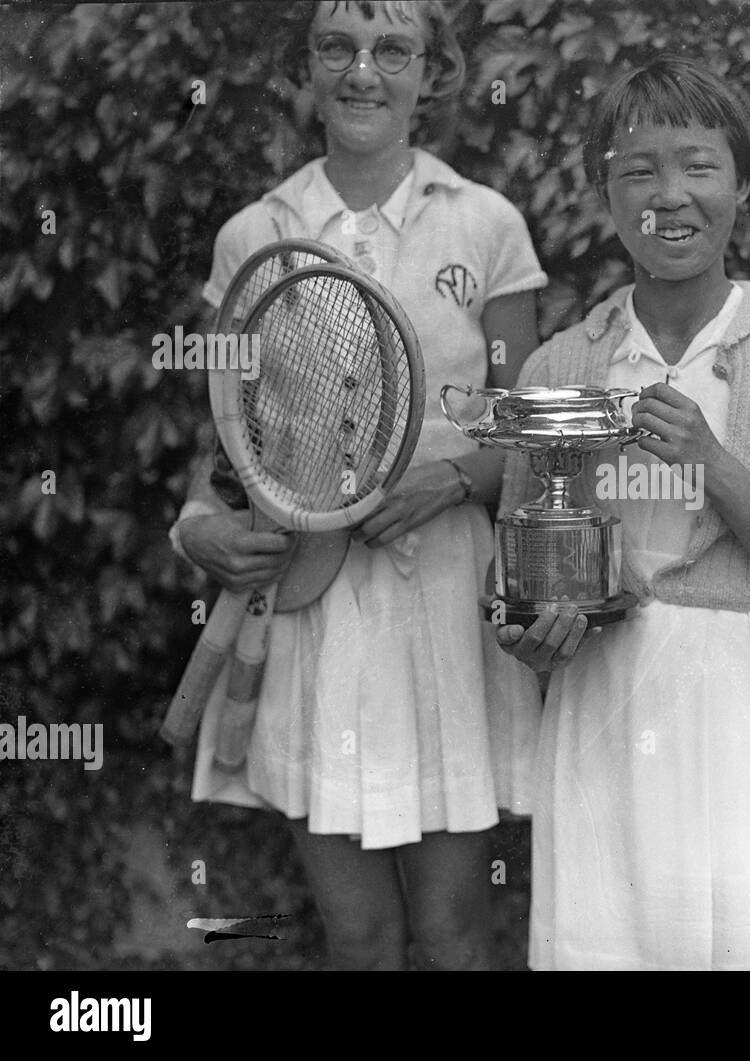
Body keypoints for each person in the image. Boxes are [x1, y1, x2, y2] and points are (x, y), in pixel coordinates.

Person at [168, 0, 545, 970]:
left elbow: (530, 428)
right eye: (337, 47)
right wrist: (197, 528)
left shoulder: (486, 223)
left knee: (454, 936)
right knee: (360, 935)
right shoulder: (255, 232)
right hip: (311, 613)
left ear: (432, 72)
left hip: (450, 616)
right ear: (308, 64)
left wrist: (453, 480)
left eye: (391, 49)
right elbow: (221, 442)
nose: (362, 71)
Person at [494, 56, 750, 970]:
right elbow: (518, 577)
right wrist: (530, 627)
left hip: (746, 713)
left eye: (698, 167)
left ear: (742, 184)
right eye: (638, 172)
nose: (671, 196)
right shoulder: (557, 370)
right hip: (603, 709)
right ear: (607, 196)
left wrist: (711, 463)